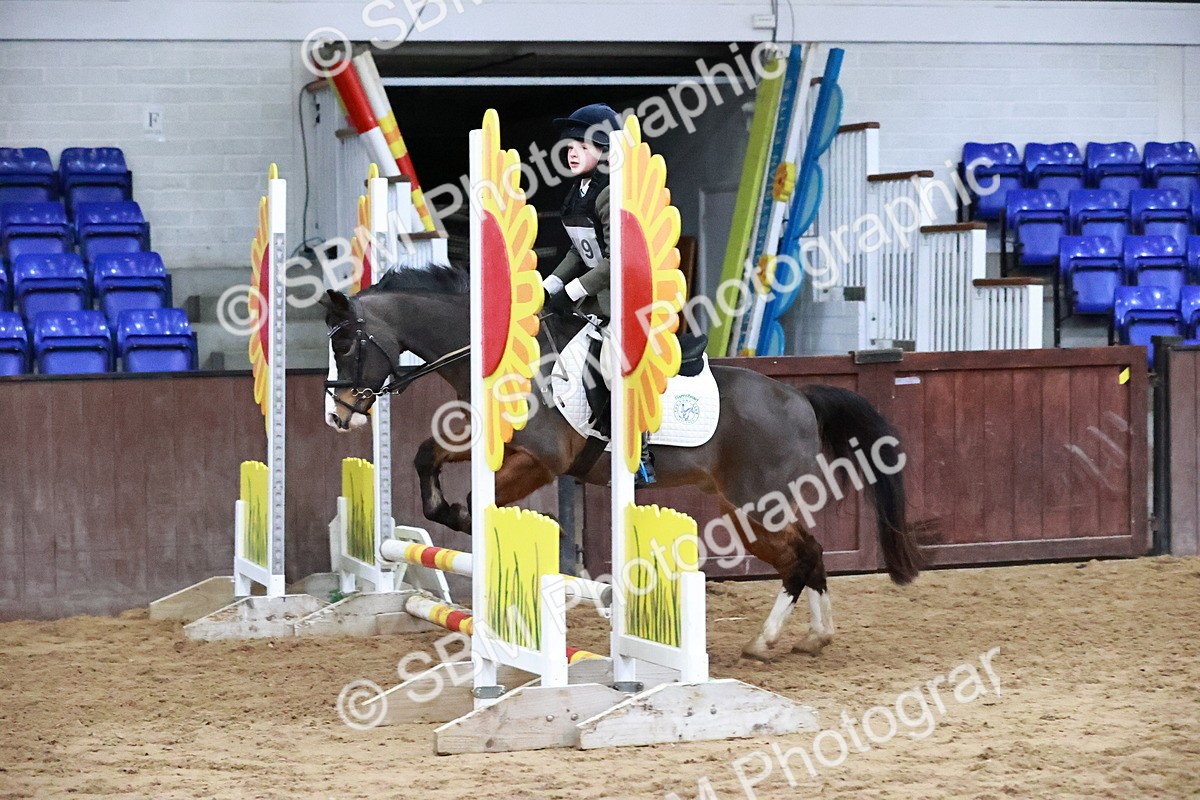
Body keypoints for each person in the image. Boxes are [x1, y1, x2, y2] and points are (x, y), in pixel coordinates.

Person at [542, 103, 656, 486]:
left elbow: (615, 259)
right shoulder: (579, 192)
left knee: (611, 365)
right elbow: (579, 251)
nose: (572, 152)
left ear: (604, 149)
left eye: (582, 145)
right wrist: (550, 285)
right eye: (570, 146)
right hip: (596, 301)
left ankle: (641, 453)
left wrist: (574, 288)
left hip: (625, 300)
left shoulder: (610, 193)